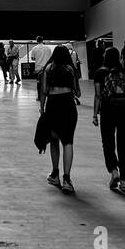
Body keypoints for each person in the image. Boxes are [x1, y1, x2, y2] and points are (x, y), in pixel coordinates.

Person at [92, 46, 125, 192]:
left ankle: (114, 171)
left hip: (108, 110)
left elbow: (98, 95)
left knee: (107, 142)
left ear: (105, 57)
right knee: (124, 144)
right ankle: (124, 182)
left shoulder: (100, 72)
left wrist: (95, 115)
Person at [38, 44, 81, 193]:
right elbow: (78, 92)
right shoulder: (71, 69)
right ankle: (67, 179)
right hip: (68, 105)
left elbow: (43, 91)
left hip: (53, 105)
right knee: (68, 141)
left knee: (54, 140)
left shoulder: (48, 68)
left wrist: (42, 108)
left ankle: (55, 173)